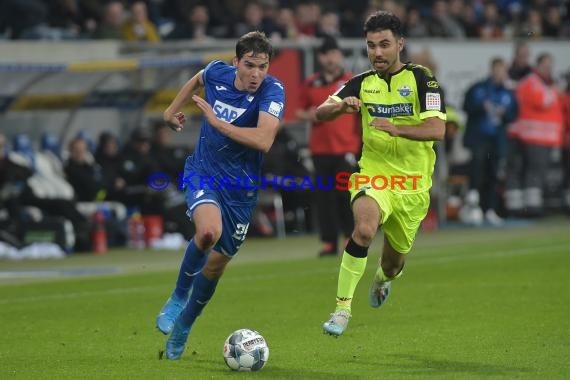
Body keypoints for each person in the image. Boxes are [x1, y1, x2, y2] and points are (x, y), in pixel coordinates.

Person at [315, 11, 446, 336]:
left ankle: (383, 279)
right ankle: (342, 309)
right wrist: (340, 108)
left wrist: (398, 129)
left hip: (412, 186)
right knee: (363, 229)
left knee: (392, 263)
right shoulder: (360, 82)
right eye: (371, 45)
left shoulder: (422, 79)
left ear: (399, 44)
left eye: (384, 44)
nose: (377, 52)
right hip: (374, 177)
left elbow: (438, 129)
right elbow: (320, 113)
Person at [155, 31, 285, 359]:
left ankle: (186, 323)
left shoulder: (273, 90)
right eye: (250, 66)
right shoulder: (217, 72)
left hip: (240, 191)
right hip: (204, 172)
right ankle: (178, 297)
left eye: (263, 66)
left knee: (215, 267)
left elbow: (263, 140)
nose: (257, 74)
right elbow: (198, 79)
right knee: (208, 232)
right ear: (236, 62)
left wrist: (215, 121)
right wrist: (170, 111)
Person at [296, 35, 360, 256]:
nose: (330, 58)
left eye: (334, 53)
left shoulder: (352, 82)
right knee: (324, 197)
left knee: (345, 194)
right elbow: (299, 111)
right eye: (326, 54)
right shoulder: (311, 82)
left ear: (340, 56)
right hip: (320, 150)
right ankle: (329, 242)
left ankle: (350, 237)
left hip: (346, 148)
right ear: (320, 57)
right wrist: (314, 115)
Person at [504, 53, 564, 217]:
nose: (549, 69)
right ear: (537, 66)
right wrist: (554, 92)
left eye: (550, 66)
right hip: (534, 136)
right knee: (534, 171)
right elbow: (541, 101)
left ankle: (526, 206)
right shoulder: (532, 82)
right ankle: (531, 208)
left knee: (533, 171)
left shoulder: (544, 83)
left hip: (542, 137)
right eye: (545, 65)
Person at [460, 57, 518, 226]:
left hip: (497, 139)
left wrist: (504, 114)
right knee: (477, 170)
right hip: (479, 138)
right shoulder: (478, 88)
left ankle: (490, 209)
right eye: (497, 70)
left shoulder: (507, 93)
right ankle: (473, 207)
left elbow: (514, 114)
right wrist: (481, 107)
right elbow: (466, 106)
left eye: (503, 70)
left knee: (494, 174)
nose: (500, 74)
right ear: (492, 69)